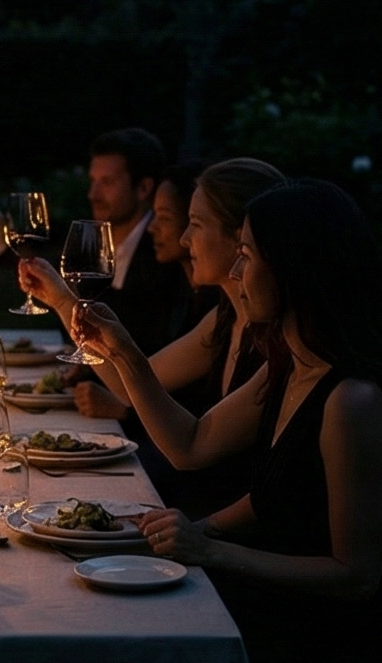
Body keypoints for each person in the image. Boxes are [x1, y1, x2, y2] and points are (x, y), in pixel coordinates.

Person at [76, 179, 382, 663]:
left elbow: (357, 574)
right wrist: (121, 353)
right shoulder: (288, 366)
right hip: (284, 618)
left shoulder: (352, 400)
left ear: (292, 268)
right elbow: (191, 444)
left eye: (246, 255)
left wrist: (210, 549)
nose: (236, 274)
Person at [20, 158, 284, 518]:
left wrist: (122, 348)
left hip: (212, 518)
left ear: (241, 238)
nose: (184, 239)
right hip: (196, 510)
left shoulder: (282, 348)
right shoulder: (222, 320)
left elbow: (189, 447)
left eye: (195, 224)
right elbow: (129, 388)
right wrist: (62, 301)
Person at [0, 129, 191, 348]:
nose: (92, 194)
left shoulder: (166, 252)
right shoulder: (91, 241)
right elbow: (48, 279)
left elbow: (141, 336)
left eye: (107, 182)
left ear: (143, 188)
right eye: (93, 181)